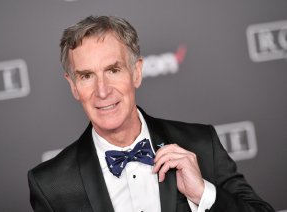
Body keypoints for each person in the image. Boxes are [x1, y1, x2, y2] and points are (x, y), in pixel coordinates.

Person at [28, 16, 274, 212]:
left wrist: (202, 193)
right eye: (86, 76)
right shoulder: (50, 184)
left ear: (137, 72)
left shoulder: (201, 143)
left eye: (113, 70)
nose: (102, 91)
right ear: (73, 86)